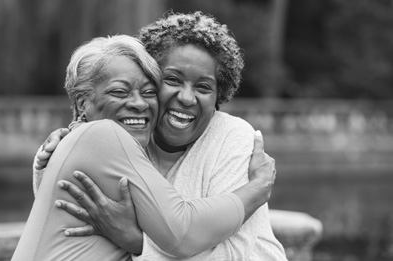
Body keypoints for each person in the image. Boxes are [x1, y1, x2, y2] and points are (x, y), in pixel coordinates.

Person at [33, 12, 287, 260]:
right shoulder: (129, 136)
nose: (187, 98)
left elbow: (232, 254)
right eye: (173, 80)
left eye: (203, 87)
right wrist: (49, 160)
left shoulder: (233, 138)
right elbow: (63, 210)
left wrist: (136, 242)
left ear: (218, 97)